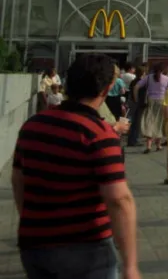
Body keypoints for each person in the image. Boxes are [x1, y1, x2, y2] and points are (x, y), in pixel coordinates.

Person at [13, 53, 140, 279]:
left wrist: (33, 220)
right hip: (86, 247)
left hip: (34, 244)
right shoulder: (99, 134)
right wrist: (130, 265)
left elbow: (18, 180)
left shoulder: (32, 125)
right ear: (105, 89)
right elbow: (119, 199)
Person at [133, 66, 168, 153]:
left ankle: (148, 145)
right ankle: (158, 145)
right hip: (162, 102)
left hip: (150, 101)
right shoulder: (166, 79)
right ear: (163, 70)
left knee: (150, 122)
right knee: (159, 123)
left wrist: (136, 99)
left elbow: (136, 87)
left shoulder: (148, 77)